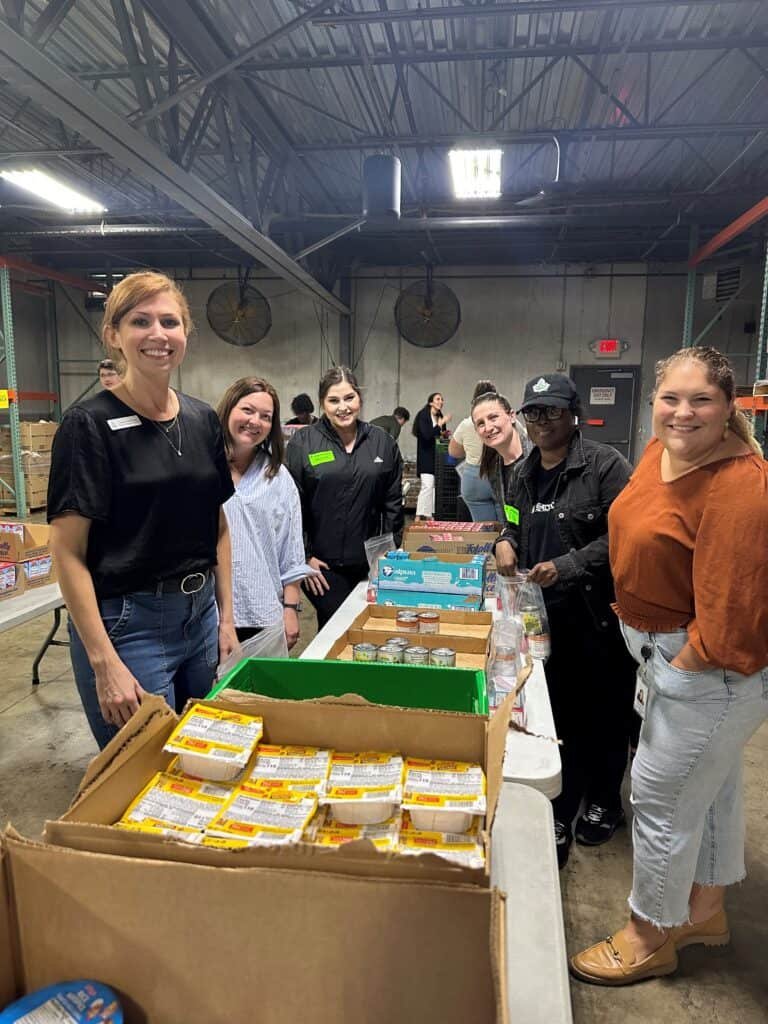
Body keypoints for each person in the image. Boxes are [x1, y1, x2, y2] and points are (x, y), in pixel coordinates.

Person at [571, 347, 768, 986]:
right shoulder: (662, 454)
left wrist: (685, 663)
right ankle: (705, 911)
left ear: (728, 407)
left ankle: (649, 934)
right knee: (709, 791)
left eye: (701, 401)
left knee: (659, 797)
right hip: (661, 653)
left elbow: (735, 608)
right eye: (671, 399)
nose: (683, 413)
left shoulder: (740, 485)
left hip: (704, 670)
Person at [48, 271, 237, 750]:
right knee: (146, 769)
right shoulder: (88, 424)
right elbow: (67, 552)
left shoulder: (201, 419)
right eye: (140, 321)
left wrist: (227, 620)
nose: (158, 334)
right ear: (113, 335)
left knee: (204, 754)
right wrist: (103, 662)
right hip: (129, 625)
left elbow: (217, 526)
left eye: (170, 321)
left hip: (201, 616)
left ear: (185, 335)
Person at [489, 374, 636, 869]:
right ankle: (563, 801)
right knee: (561, 714)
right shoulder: (522, 472)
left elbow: (629, 538)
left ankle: (605, 801)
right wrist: (503, 542)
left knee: (607, 714)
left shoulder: (605, 466)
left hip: (598, 617)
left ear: (573, 414)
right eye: (533, 413)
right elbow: (512, 520)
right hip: (542, 618)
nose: (541, 422)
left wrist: (569, 565)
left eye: (552, 411)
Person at [286, 366, 404, 629]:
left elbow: (393, 504)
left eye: (349, 398)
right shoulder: (303, 443)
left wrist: (388, 555)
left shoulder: (382, 443)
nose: (343, 407)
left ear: (359, 398)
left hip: (371, 565)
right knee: (338, 630)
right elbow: (293, 507)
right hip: (323, 567)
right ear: (322, 403)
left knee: (371, 631)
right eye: (334, 400)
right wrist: (303, 556)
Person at [216, 377, 308, 650]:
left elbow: (291, 550)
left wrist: (290, 607)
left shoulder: (278, 478)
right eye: (247, 410)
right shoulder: (203, 468)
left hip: (263, 613)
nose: (255, 421)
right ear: (228, 408)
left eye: (265, 416)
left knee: (260, 694)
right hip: (209, 616)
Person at [451, 381, 511, 521]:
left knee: (484, 531)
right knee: (507, 527)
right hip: (502, 474)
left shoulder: (466, 424)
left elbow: (454, 452)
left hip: (474, 478)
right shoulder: (507, 420)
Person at [412, 392, 452, 520]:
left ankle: (428, 515)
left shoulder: (439, 416)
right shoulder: (423, 416)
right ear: (431, 402)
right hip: (426, 456)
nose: (441, 401)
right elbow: (427, 436)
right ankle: (419, 516)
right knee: (427, 485)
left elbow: (438, 437)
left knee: (433, 487)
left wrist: (444, 434)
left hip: (436, 457)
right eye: (438, 399)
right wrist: (440, 425)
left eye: (442, 399)